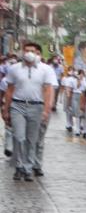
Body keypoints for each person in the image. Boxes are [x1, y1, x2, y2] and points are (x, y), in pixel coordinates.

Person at [1, 42, 57, 181]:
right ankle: (19, 167)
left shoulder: (45, 70)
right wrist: (6, 109)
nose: (29, 53)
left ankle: (28, 168)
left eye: (32, 50)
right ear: (22, 52)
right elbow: (10, 90)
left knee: (32, 140)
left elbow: (48, 90)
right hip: (18, 105)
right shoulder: (14, 69)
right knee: (19, 137)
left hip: (36, 107)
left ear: (37, 52)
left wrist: (46, 110)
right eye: (26, 50)